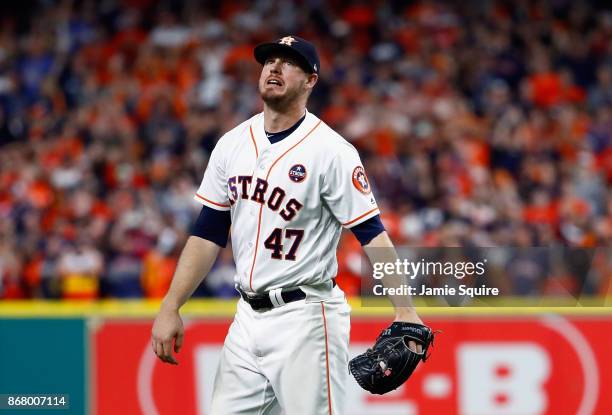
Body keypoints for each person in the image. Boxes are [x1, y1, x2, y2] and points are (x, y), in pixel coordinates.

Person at [151, 35, 424, 414]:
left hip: (307, 318)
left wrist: (405, 310)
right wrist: (171, 303)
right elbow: (208, 232)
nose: (274, 68)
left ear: (311, 80)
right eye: (269, 61)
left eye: (288, 62)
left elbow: (372, 234)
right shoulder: (232, 144)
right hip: (246, 319)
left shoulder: (332, 152)